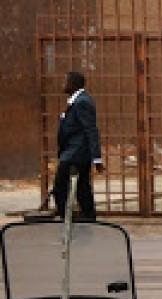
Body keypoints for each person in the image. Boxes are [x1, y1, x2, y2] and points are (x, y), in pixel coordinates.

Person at [54, 71, 105, 221]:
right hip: (73, 152)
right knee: (82, 188)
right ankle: (88, 218)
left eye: (65, 81)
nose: (63, 84)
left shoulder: (82, 102)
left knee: (60, 187)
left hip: (76, 153)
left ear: (73, 84)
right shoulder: (77, 101)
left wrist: (96, 158)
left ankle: (67, 218)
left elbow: (91, 130)